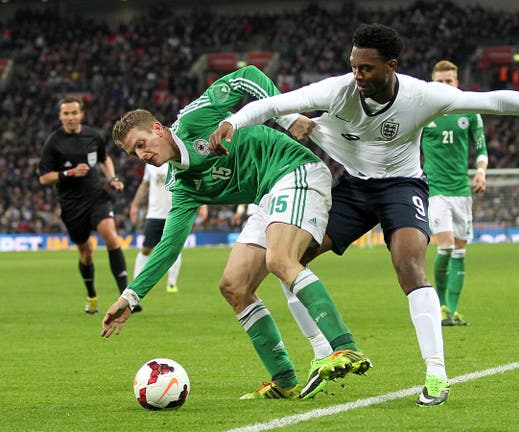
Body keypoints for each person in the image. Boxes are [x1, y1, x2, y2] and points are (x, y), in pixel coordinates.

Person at [210, 23, 519, 406]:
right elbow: (271, 105)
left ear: (391, 65)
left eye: (367, 68)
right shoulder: (337, 90)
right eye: (354, 66)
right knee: (289, 260)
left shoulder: (424, 96)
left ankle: (436, 371)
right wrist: (232, 121)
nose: (358, 75)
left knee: (409, 266)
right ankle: (324, 352)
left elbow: (493, 100)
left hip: (402, 187)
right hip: (353, 188)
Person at [100, 66, 371, 400]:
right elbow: (168, 246)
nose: (142, 155)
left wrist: (288, 119)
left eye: (142, 144)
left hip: (294, 169)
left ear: (158, 129)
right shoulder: (182, 185)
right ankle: (284, 379)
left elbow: (250, 77)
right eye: (134, 153)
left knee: (280, 259)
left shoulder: (195, 118)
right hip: (266, 196)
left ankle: (344, 348)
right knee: (234, 287)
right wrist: (130, 297)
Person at [38, 96, 135, 315]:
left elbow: (105, 158)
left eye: (74, 113)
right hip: (72, 204)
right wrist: (68, 173)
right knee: (86, 251)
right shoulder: (54, 142)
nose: (70, 117)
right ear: (60, 116)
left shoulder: (94, 136)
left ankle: (127, 296)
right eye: (66, 113)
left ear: (81, 114)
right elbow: (44, 178)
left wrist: (112, 178)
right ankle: (91, 295)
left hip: (96, 196)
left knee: (111, 237)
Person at [420, 60, 488, 326]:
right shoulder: (424, 114)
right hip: (435, 190)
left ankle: (453, 310)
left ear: (457, 83)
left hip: (462, 191)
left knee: (460, 252)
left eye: (449, 82)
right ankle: (439, 306)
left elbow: (481, 149)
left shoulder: (470, 111)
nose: (445, 86)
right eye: (439, 82)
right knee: (445, 247)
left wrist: (481, 171)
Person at [129, 163, 209, 293]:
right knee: (146, 249)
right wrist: (134, 205)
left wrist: (203, 204)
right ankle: (135, 282)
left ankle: (172, 283)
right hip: (154, 214)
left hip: (176, 212)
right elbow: (144, 185)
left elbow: (195, 182)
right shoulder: (150, 165)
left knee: (174, 249)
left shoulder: (179, 162)